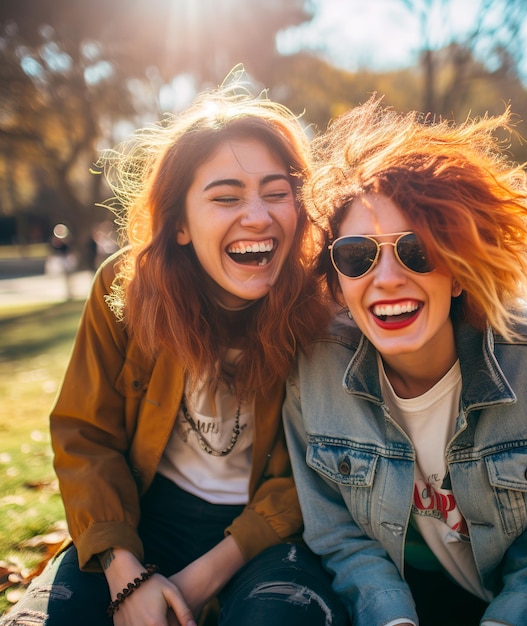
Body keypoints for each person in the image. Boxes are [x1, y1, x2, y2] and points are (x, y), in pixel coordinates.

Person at [1, 72, 347, 626]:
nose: (257, 215)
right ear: (180, 224)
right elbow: (85, 436)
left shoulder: (323, 309)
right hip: (139, 517)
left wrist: (197, 581)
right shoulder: (125, 289)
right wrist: (125, 572)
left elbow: (321, 471)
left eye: (277, 194)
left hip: (267, 533)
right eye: (226, 197)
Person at [282, 97, 527, 626]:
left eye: (417, 251)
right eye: (357, 255)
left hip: (521, 598)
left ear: (460, 270)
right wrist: (393, 619)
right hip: (404, 598)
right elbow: (338, 535)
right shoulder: (316, 366)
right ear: (339, 281)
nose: (387, 278)